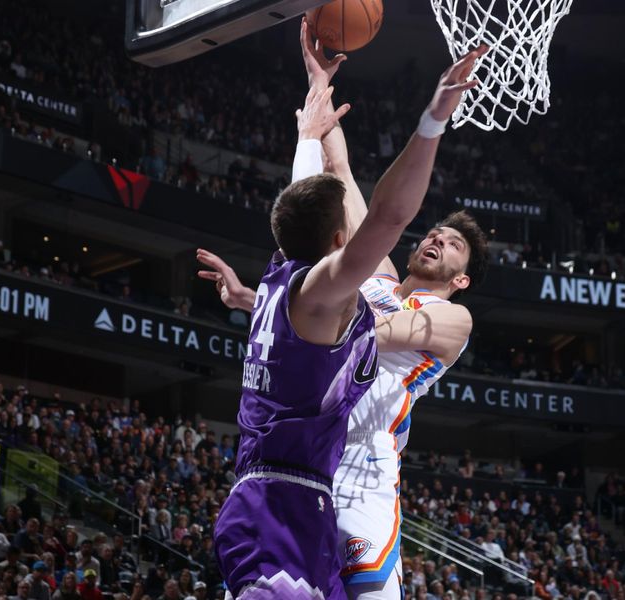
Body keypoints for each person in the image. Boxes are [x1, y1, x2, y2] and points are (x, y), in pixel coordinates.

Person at [200, 22, 488, 600]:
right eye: (434, 232)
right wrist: (319, 90)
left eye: (451, 244)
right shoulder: (371, 274)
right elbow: (341, 175)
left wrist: (268, 305)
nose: (435, 238)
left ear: (461, 277)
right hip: (310, 458)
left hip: (361, 475)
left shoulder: (452, 319)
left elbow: (355, 328)